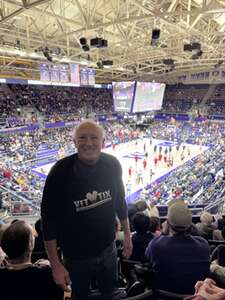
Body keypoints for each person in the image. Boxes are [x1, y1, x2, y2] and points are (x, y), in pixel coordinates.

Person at [41, 119, 132, 300]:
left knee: (110, 292)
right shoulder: (60, 172)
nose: (89, 143)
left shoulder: (113, 165)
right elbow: (48, 220)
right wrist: (55, 264)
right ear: (74, 142)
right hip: (75, 256)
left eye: (94, 138)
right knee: (80, 295)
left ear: (103, 142)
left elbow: (120, 203)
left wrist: (128, 236)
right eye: (82, 138)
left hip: (108, 248)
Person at [0, 220, 62, 300]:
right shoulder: (45, 274)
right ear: (30, 245)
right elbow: (61, 293)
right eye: (32, 236)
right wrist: (50, 266)